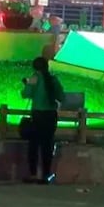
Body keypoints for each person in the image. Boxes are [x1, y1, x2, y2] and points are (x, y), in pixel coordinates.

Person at [21, 56, 64, 184]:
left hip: (38, 116)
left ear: (35, 67)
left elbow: (26, 94)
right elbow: (61, 96)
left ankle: (33, 175)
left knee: (34, 146)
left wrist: (27, 84)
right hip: (51, 116)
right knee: (47, 146)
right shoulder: (53, 79)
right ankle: (46, 176)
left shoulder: (34, 77)